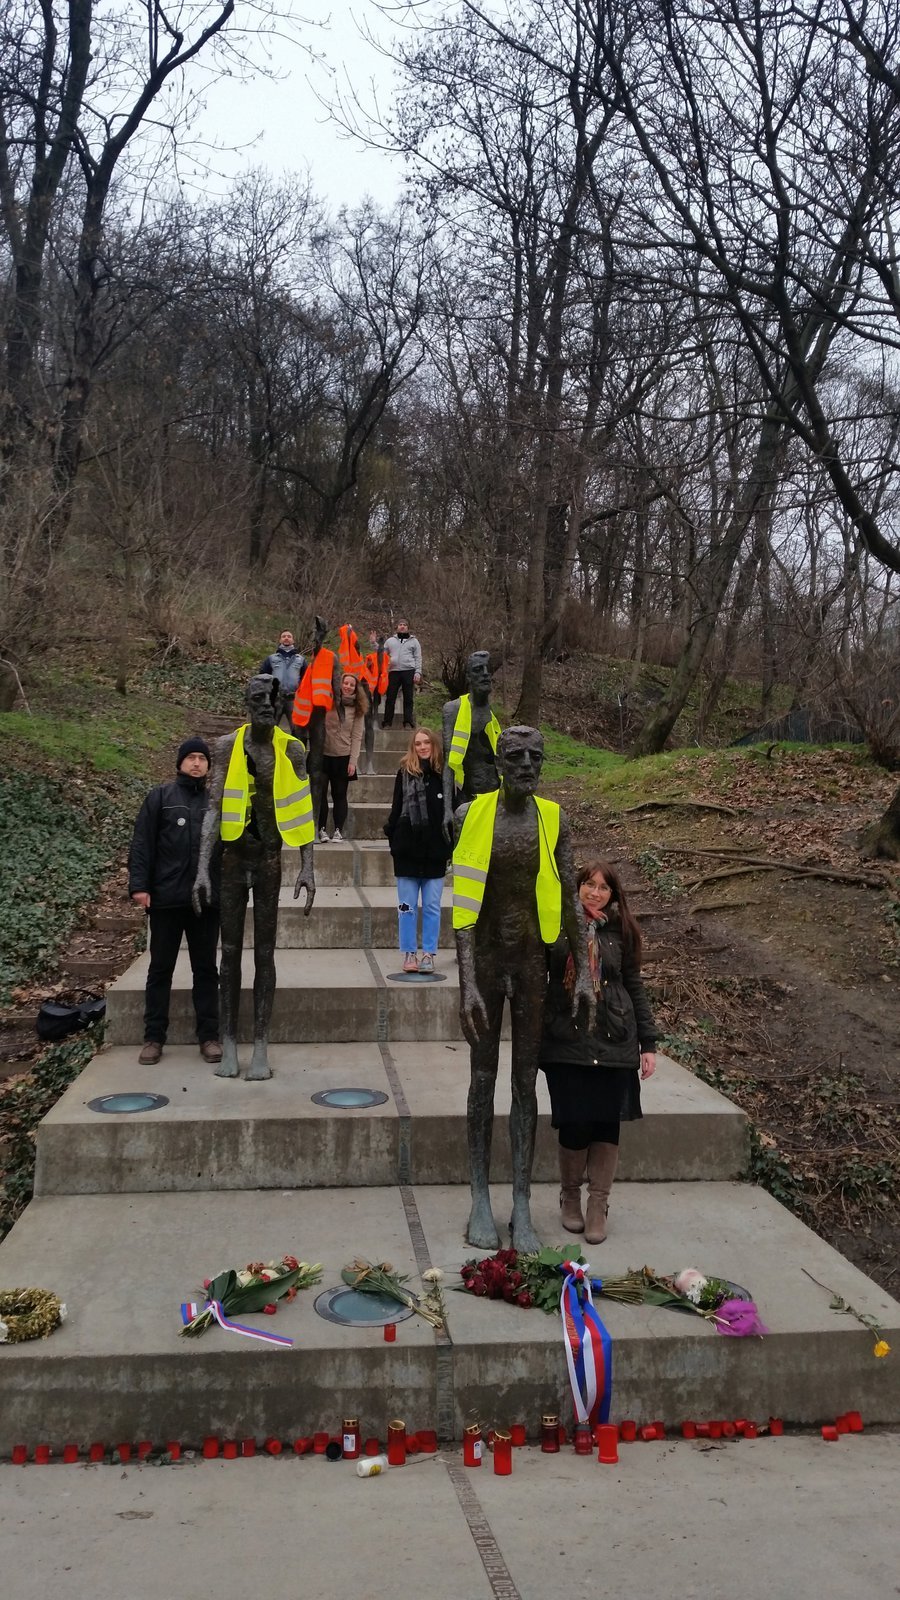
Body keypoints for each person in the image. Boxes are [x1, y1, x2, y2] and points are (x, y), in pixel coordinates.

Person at [453, 725, 593, 1252]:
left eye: (537, 756)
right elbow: (463, 907)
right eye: (518, 756)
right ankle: (480, 1198)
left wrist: (581, 968)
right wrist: (466, 982)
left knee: (524, 1086)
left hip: (532, 962)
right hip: (486, 962)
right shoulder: (473, 816)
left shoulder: (554, 819)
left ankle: (520, 1202)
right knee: (482, 1077)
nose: (529, 765)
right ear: (500, 761)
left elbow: (571, 898)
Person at [193, 675, 315, 1081]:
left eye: (272, 698)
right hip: (232, 859)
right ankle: (229, 1041)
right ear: (247, 702)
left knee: (265, 953)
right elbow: (213, 808)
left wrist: (308, 865)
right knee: (229, 952)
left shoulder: (291, 749)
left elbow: (301, 808)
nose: (267, 704)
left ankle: (260, 1045)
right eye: (258, 698)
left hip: (268, 860)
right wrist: (200, 868)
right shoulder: (227, 746)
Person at [539, 859, 657, 1245]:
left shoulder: (623, 932)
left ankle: (597, 1206)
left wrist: (648, 1044)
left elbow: (634, 986)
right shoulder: (556, 925)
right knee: (574, 1120)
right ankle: (570, 1198)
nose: (595, 892)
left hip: (614, 1036)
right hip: (567, 1036)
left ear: (613, 895)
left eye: (603, 887)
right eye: (589, 884)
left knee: (607, 1122)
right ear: (576, 888)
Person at [128, 737, 221, 1066]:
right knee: (160, 970)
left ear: (209, 766)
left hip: (206, 903)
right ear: (180, 762)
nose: (196, 763)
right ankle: (153, 1037)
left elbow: (226, 851)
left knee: (206, 970)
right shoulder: (160, 797)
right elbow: (143, 842)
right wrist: (140, 886)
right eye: (191, 758)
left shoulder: (216, 802)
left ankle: (209, 1037)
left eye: (202, 758)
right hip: (166, 899)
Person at [384, 727, 450, 973]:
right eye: (418, 744)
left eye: (426, 743)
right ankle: (409, 952)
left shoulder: (444, 775)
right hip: (407, 851)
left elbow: (449, 815)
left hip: (435, 851)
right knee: (407, 906)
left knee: (432, 905)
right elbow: (396, 807)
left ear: (433, 745)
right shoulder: (404, 774)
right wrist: (393, 837)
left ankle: (429, 954)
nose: (422, 747)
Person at [319, 672, 367, 841]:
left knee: (340, 795)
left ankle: (338, 830)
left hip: (343, 756)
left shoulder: (358, 709)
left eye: (351, 685)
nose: (347, 686)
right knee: (321, 793)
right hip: (323, 755)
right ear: (340, 684)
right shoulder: (328, 701)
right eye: (345, 683)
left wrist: (353, 761)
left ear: (356, 688)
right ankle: (321, 829)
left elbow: (357, 736)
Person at [259, 629, 305, 732]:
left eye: (289, 636)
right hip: (275, 698)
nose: (286, 638)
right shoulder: (271, 658)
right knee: (270, 728)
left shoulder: (300, 659)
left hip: (294, 699)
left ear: (293, 640)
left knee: (297, 730)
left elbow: (305, 678)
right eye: (284, 636)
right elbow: (262, 676)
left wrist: (300, 692)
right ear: (280, 640)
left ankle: (296, 748)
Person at [382, 618, 422, 728]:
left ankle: (408, 722)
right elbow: (382, 655)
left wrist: (418, 672)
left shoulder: (414, 641)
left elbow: (418, 657)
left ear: (408, 628)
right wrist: (374, 644)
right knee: (390, 697)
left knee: (408, 698)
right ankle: (387, 722)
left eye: (404, 625)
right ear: (397, 627)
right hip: (393, 671)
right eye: (400, 624)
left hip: (409, 670)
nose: (402, 626)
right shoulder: (390, 641)